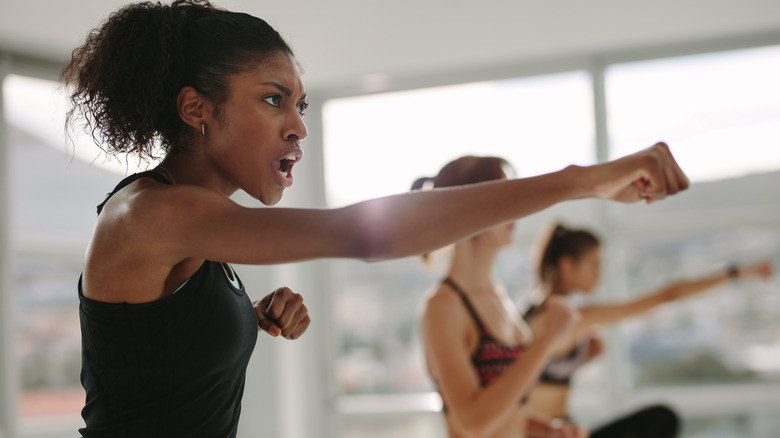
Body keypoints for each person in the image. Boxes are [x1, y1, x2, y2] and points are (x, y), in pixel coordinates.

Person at [61, 1, 689, 436]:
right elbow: (365, 234)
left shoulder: (200, 223)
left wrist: (242, 320)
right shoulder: (153, 211)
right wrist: (579, 182)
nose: (298, 126)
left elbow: (146, 365)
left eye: (300, 105)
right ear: (197, 108)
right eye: (273, 99)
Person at [523, 223, 775, 438]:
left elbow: (539, 378)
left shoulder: (534, 312)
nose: (599, 276)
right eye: (594, 266)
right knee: (661, 420)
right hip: (551, 433)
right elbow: (668, 295)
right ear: (567, 265)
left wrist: (582, 358)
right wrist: (736, 272)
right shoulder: (572, 317)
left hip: (563, 427)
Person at [415, 156, 590, 438]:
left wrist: (551, 431)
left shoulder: (497, 295)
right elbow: (472, 421)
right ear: (467, 207)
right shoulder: (443, 306)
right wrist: (546, 341)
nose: (516, 210)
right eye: (502, 198)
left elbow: (508, 408)